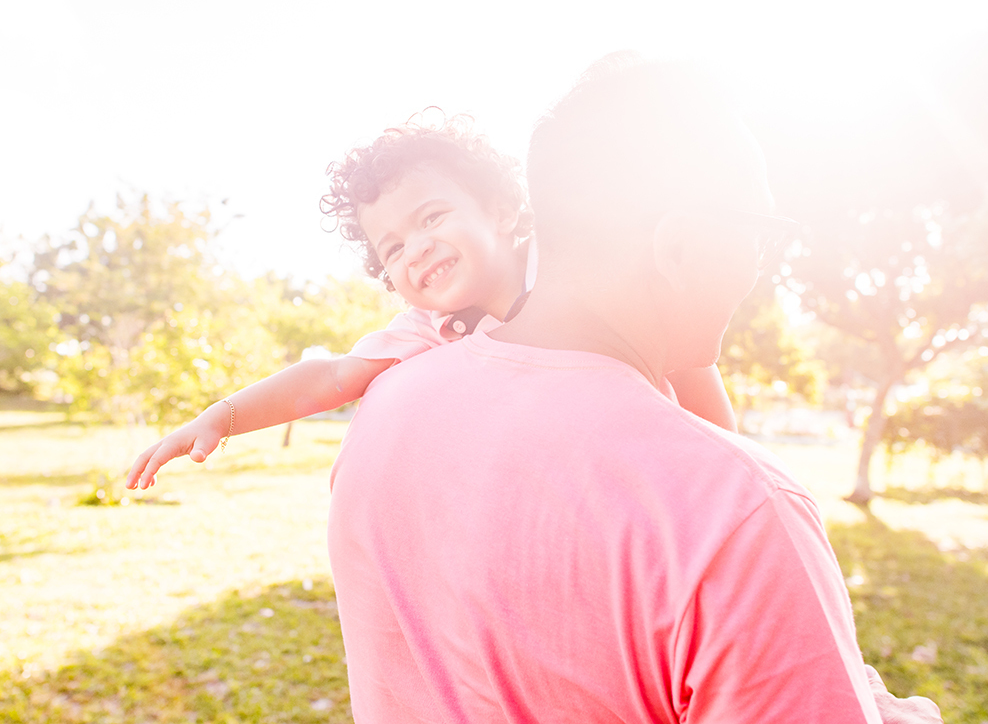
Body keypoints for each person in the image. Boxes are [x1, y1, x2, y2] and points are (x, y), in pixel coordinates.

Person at [327, 55, 943, 723]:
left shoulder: (381, 415)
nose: (760, 268)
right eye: (760, 236)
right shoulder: (737, 514)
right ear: (677, 249)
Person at [126, 113, 735, 491]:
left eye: (432, 217)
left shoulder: (571, 267)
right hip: (589, 486)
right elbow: (328, 378)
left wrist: (727, 463)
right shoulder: (436, 328)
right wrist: (220, 417)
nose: (416, 249)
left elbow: (685, 356)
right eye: (391, 248)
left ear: (498, 208)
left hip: (673, 471)